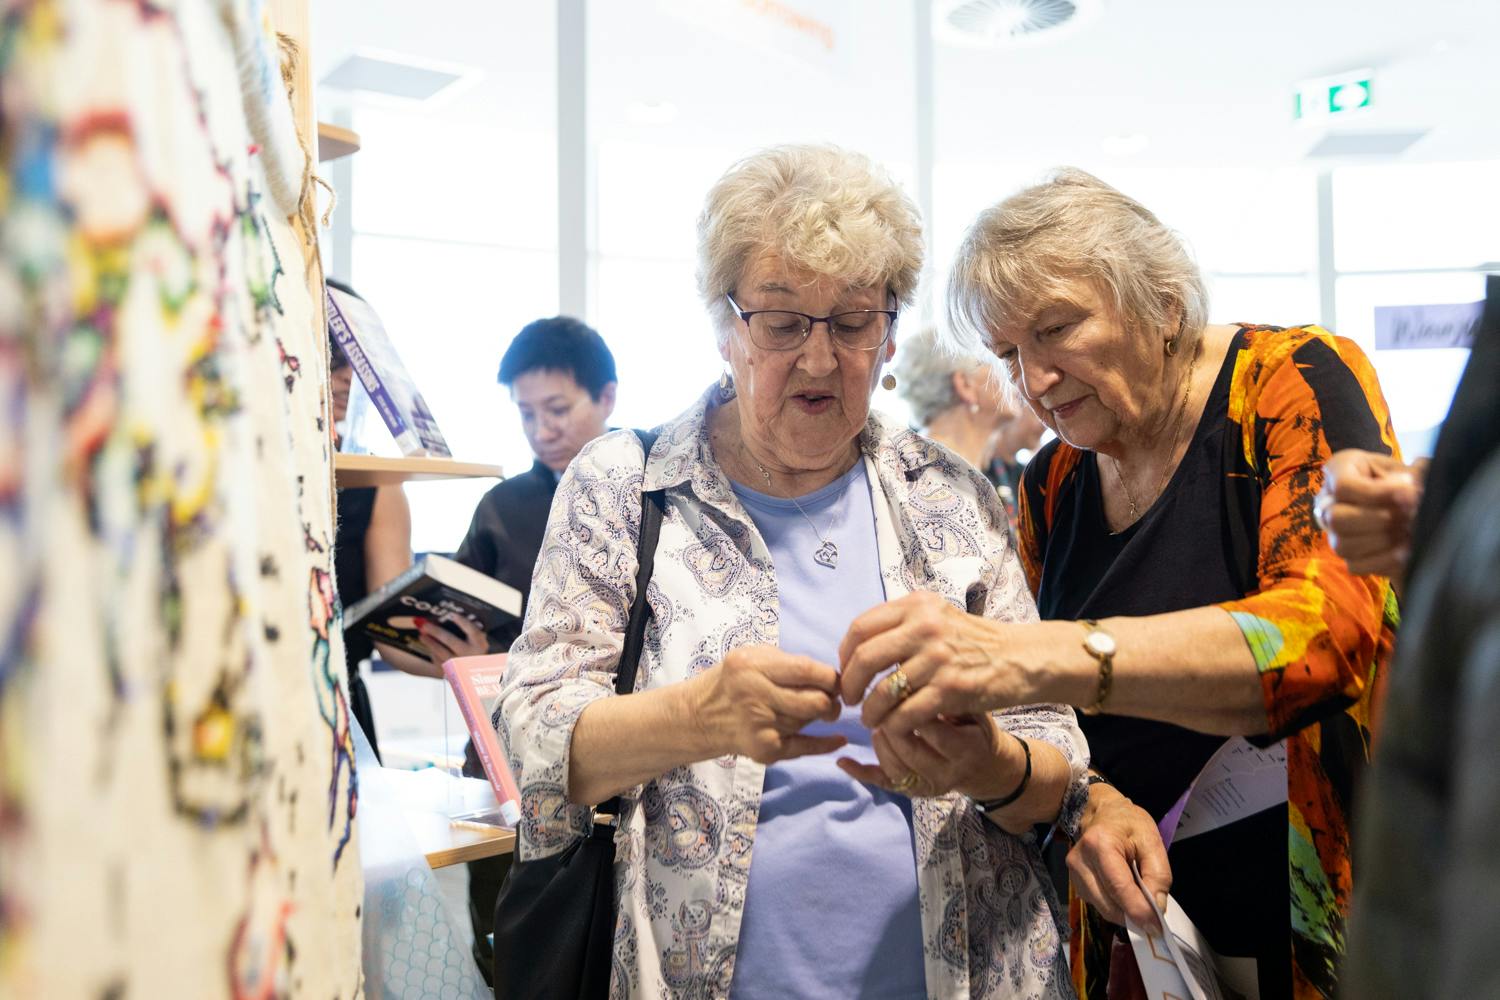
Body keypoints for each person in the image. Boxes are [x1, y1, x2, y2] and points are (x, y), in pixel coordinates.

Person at [498, 145, 1094, 998]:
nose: (819, 360)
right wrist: (699, 716)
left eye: (853, 322)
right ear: (724, 327)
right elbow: (535, 741)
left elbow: (1059, 755)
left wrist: (985, 763)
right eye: (781, 322)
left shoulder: (952, 499)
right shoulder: (624, 488)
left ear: (889, 334)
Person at [838, 168, 1399, 998]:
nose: (1035, 381)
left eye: (1057, 329)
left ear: (1163, 303)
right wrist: (1085, 801)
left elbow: (1329, 637)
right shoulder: (1051, 486)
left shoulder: (1287, 384)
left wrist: (1046, 654)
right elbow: (1048, 731)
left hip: (1330, 922)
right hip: (1152, 939)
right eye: (1008, 356)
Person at [370, 315, 619, 679]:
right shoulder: (500, 507)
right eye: (526, 413)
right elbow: (455, 619)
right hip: (514, 710)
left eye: (558, 410)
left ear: (607, 398)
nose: (541, 431)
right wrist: (475, 658)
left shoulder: (651, 488)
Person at [327, 279, 414, 761]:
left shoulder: (378, 478)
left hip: (339, 706)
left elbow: (393, 629)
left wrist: (474, 656)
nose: (346, 378)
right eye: (334, 358)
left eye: (356, 362)